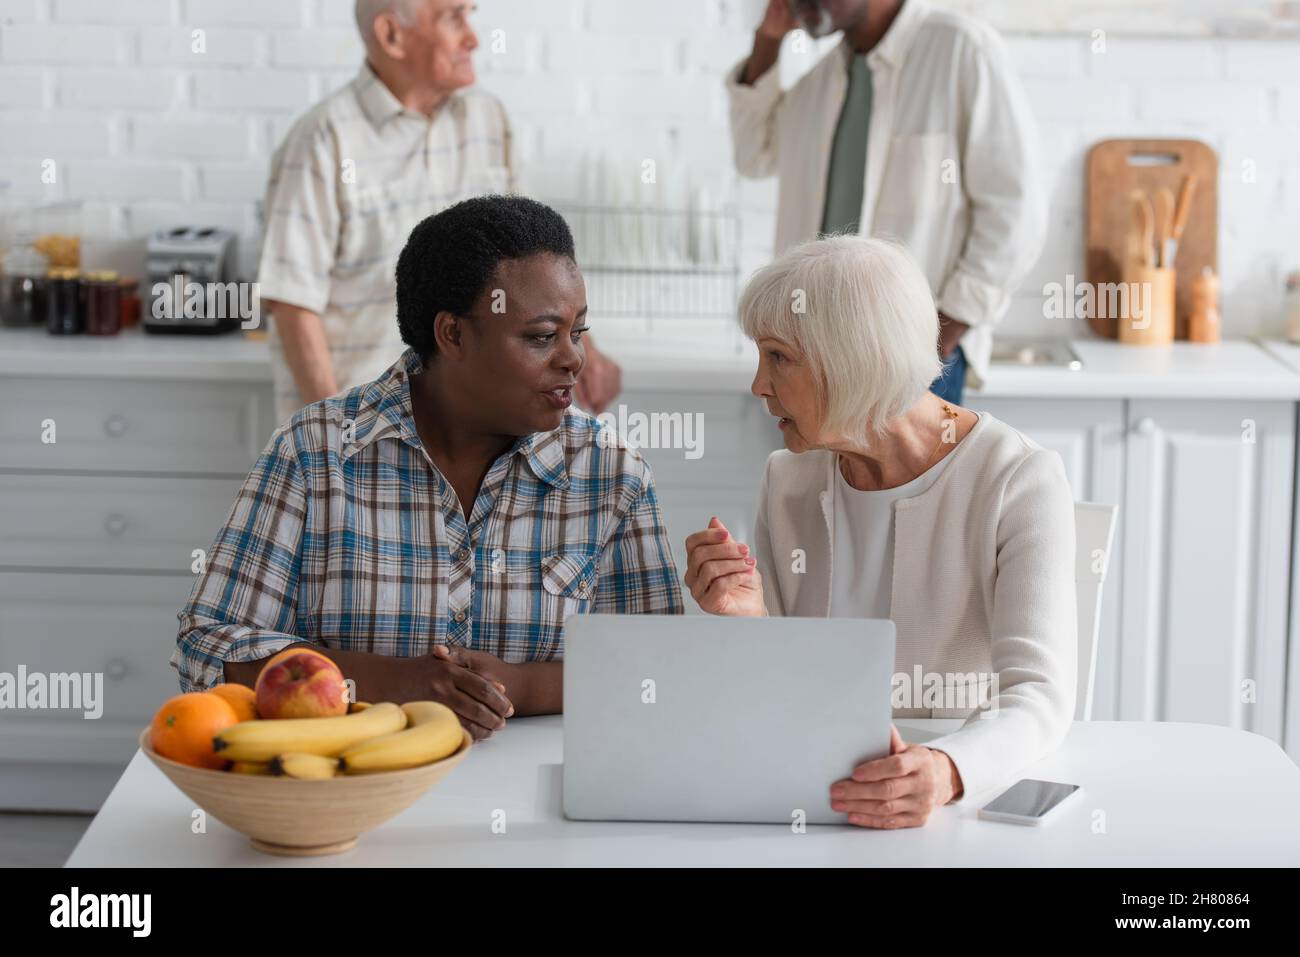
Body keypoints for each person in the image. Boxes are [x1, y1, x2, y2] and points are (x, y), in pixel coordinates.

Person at [175, 196, 683, 740]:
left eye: (577, 331)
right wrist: (397, 683)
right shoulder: (315, 453)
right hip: (351, 794)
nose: (573, 359)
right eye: (540, 337)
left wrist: (522, 687)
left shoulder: (611, 473)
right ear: (453, 335)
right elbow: (209, 651)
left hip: (547, 804)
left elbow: (659, 670)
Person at [683, 235, 1076, 828]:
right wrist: (748, 623)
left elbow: (1039, 696)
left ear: (852, 359)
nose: (759, 384)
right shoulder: (786, 480)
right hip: (818, 802)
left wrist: (945, 769)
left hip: (952, 818)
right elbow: (787, 695)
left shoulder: (1017, 478)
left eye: (778, 357)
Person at [258, 0, 621, 424]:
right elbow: (292, 303)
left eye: (470, 14)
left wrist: (585, 351)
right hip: (368, 429)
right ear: (392, 35)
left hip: (473, 425)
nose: (473, 37)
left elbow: (533, 264)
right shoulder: (322, 140)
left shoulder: (486, 119)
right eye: (452, 17)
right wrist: (336, 439)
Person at [727, 0, 1047, 404]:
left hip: (912, 360)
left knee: (918, 471)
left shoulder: (959, 50)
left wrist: (946, 329)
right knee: (810, 472)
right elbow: (754, 154)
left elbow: (1016, 209)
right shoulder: (822, 81)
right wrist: (768, 38)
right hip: (814, 360)